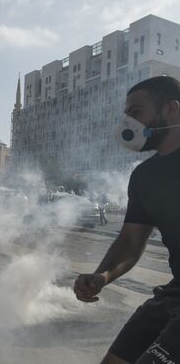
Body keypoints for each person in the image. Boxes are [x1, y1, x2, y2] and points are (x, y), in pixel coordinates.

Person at [74, 76, 180, 364]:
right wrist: (101, 276)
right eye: (126, 116)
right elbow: (131, 241)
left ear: (172, 110)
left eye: (136, 113)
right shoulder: (145, 176)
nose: (128, 125)